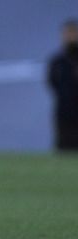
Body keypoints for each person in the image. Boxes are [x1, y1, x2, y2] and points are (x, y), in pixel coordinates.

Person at [47, 19, 78, 152]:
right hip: (64, 112)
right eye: (67, 33)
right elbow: (52, 83)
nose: (70, 36)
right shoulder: (58, 62)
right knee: (64, 147)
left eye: (73, 33)